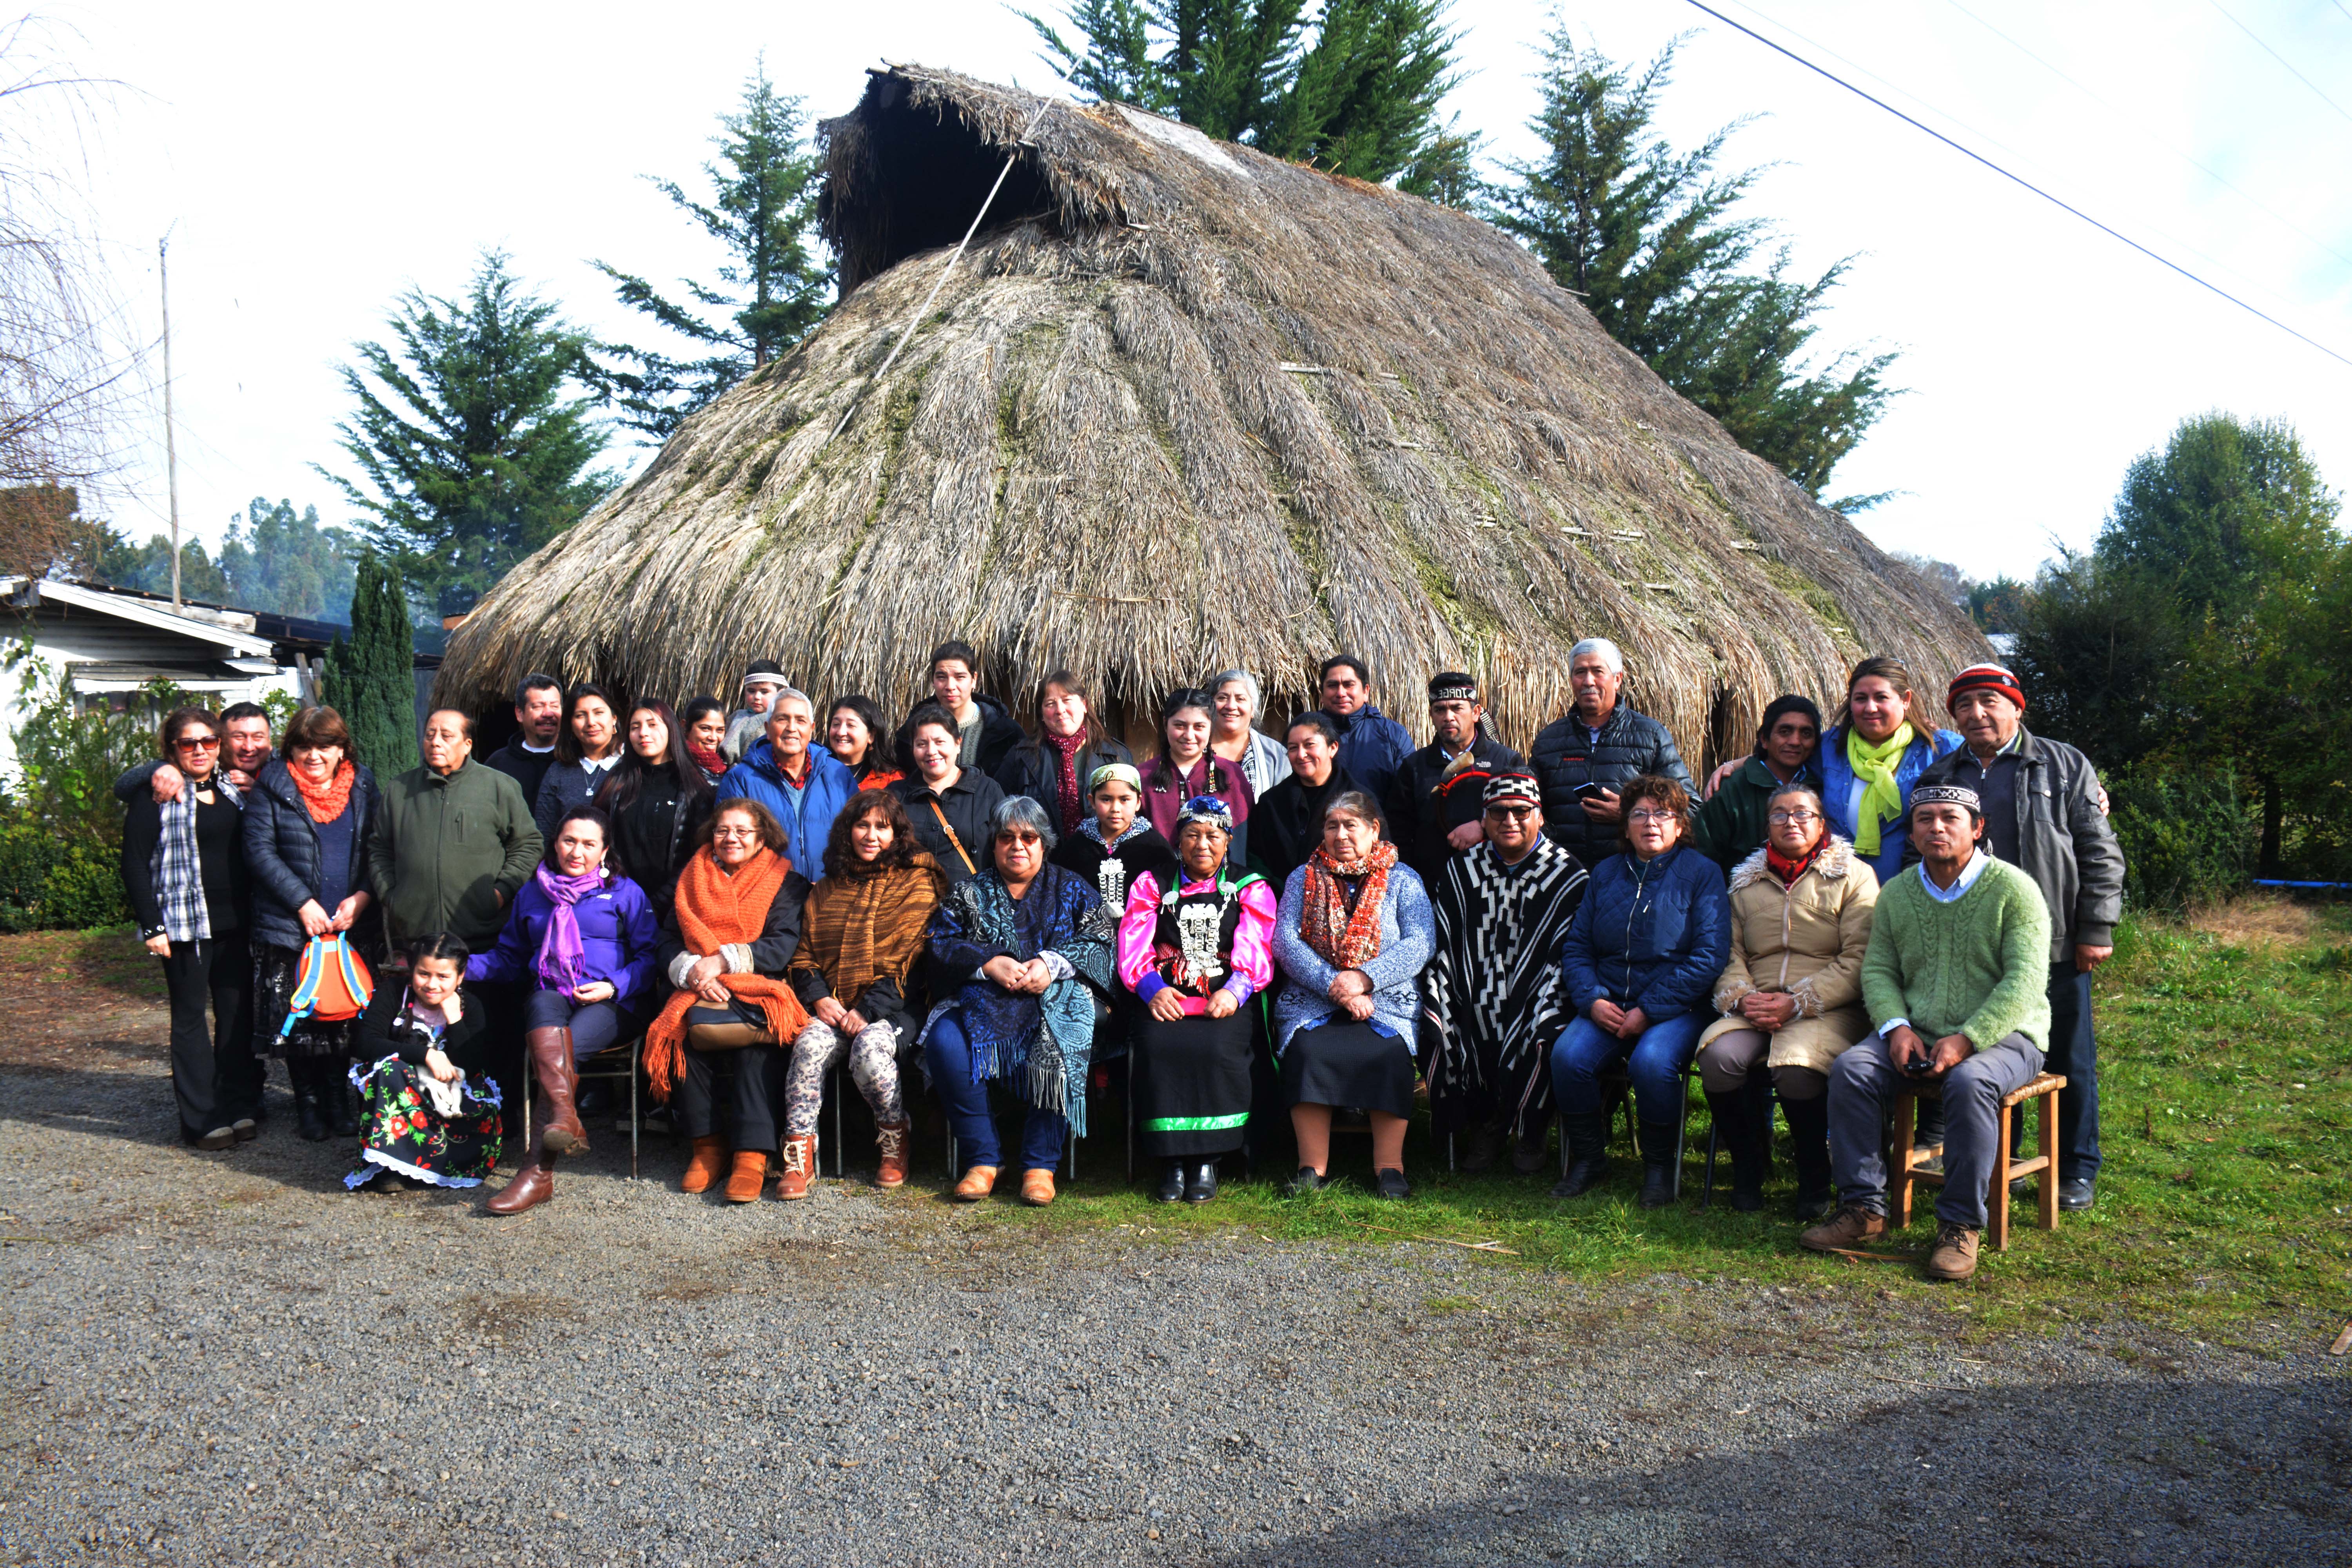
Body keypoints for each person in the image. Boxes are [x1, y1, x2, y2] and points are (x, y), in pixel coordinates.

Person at [1801, 784, 2053, 1282]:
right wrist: (1895, 1028)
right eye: (1925, 819)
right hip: (1917, 1029)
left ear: (1977, 828)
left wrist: (1969, 1038)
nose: (1936, 827)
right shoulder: (1897, 893)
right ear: (1912, 832)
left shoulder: (2014, 888)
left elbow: (2025, 981)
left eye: (1950, 818)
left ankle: (1959, 1224)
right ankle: (1864, 1209)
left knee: (1970, 1082)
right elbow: (1878, 971)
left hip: (2008, 1035)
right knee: (1852, 1068)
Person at [1911, 662, 2123, 1212]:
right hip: (1974, 947)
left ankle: (2077, 1168)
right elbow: (1924, 856)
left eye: (1989, 701)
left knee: (2069, 1057)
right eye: (1965, 705)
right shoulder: (1942, 772)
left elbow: (2098, 851)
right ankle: (2008, 1160)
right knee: (1997, 1049)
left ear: (2016, 707)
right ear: (1953, 714)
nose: (1977, 714)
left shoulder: (2061, 764)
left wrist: (2095, 928)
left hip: (2053, 940)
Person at [1693, 782, 1877, 1215]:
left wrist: (1799, 1001)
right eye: (1779, 814)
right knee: (1719, 1058)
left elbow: (1860, 956)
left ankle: (1814, 1174)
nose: (1790, 822)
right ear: (1767, 825)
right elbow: (1728, 951)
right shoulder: (1745, 880)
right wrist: (1742, 999)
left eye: (1801, 814)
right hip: (1755, 1003)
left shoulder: (1854, 875)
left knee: (1795, 1068)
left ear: (1821, 824)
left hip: (1827, 1006)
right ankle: (1749, 1165)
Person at [921, 795, 1114, 1207]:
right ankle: (984, 1159)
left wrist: (1052, 963)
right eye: (1007, 837)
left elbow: (1102, 941)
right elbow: (939, 943)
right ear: (994, 845)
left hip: (1053, 1001)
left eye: (1028, 837)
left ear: (1044, 843)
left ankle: (1040, 1165)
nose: (1017, 846)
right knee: (944, 1041)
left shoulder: (1072, 888)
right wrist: (988, 963)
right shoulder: (969, 893)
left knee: (1065, 1035)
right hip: (981, 1002)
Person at [468, 804, 661, 1215]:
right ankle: (563, 1121)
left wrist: (613, 985)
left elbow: (650, 958)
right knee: (541, 1006)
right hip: (553, 992)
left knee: (562, 1046)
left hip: (614, 1001)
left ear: (605, 850)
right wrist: (456, 969)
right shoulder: (533, 892)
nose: (578, 851)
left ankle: (537, 1171)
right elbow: (508, 956)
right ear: (555, 844)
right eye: (569, 840)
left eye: (589, 843)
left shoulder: (626, 892)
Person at [1551, 773, 1730, 1207]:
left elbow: (1709, 956)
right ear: (1625, 824)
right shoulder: (1606, 873)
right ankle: (1590, 1159)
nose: (1652, 823)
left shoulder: (1703, 874)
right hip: (1609, 1000)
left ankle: (1658, 1167)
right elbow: (1577, 947)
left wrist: (1649, 1010)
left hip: (1678, 1006)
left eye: (1663, 814)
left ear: (1680, 825)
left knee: (1653, 1062)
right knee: (1568, 1056)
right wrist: (1592, 999)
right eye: (1640, 814)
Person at [779, 790, 946, 1196]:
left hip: (896, 1007)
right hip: (835, 1003)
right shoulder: (827, 888)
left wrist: (870, 1009)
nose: (871, 835)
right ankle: (799, 1154)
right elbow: (803, 956)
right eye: (862, 825)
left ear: (897, 834)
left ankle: (895, 1137)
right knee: (808, 1045)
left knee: (869, 1049)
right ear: (847, 831)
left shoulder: (917, 882)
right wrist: (819, 997)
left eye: (882, 827)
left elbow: (912, 959)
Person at [644, 800, 812, 1204]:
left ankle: (751, 1155)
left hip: (759, 984)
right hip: (698, 985)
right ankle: (707, 1147)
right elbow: (666, 939)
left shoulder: (786, 881)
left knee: (755, 1045)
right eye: (723, 830)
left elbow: (782, 943)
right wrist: (692, 972)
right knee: (684, 1035)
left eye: (742, 831)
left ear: (762, 837)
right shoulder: (692, 876)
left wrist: (722, 962)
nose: (731, 838)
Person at [1421, 771, 1589, 1176]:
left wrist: (1527, 992)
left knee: (1544, 1024)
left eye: (1521, 811)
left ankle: (1532, 1129)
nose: (1509, 820)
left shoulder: (1566, 874)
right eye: (1498, 812)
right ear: (1485, 818)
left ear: (1540, 816)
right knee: (1449, 1011)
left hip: (1544, 985)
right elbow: (1446, 938)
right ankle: (1485, 1126)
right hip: (1472, 982)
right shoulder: (1462, 871)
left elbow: (1568, 950)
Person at [1271, 790, 1433, 1199]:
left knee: (1390, 1054)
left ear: (1374, 829)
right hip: (1315, 998)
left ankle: (1390, 1168)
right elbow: (1285, 942)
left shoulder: (1403, 878)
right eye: (1331, 825)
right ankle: (1312, 1167)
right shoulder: (1301, 878)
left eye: (1350, 825)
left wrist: (1365, 978)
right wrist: (1335, 986)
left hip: (1386, 1001)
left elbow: (1419, 942)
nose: (1340, 834)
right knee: (1307, 1051)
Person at [1117, 797, 1277, 1204]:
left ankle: (1208, 1159)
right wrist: (1151, 989)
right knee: (1158, 1047)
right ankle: (1172, 1161)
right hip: (1166, 995)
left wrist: (1236, 990)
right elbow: (1134, 943)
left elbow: (1258, 945)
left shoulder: (1249, 886)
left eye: (1212, 835)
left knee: (1217, 1048)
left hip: (1223, 997)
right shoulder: (1152, 883)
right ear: (1178, 839)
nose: (1202, 844)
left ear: (1227, 841)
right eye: (1192, 834)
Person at [243, 704, 383, 1143]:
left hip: (348, 927)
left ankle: (338, 1102)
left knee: (341, 1018)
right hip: (291, 927)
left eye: (325, 745)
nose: (314, 755)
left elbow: (378, 848)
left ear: (342, 749)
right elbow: (259, 851)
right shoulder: (273, 785)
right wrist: (302, 903)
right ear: (291, 750)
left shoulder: (363, 785)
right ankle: (308, 1105)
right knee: (300, 1022)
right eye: (304, 746)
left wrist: (363, 897)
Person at [121, 706, 257, 1150]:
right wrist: (151, 925)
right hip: (183, 926)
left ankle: (239, 1105)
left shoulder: (231, 788)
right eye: (188, 743)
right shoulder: (156, 793)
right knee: (191, 1020)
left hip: (235, 924)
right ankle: (201, 1118)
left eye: (209, 741)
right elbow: (134, 865)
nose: (200, 750)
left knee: (237, 1018)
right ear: (172, 748)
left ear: (220, 745)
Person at [369, 710, 542, 955]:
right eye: (430, 735)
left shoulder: (499, 787)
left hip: (483, 941)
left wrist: (500, 893)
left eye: (446, 736)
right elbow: (380, 848)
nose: (435, 742)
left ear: (467, 745)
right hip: (417, 941)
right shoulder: (399, 789)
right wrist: (393, 897)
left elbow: (528, 844)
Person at [345, 934, 503, 1191]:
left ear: (460, 977)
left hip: (451, 1092)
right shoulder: (393, 993)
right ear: (412, 970)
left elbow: (473, 1065)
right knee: (389, 1069)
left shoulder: (470, 1006)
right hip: (403, 1089)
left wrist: (455, 1020)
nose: (432, 985)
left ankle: (439, 1166)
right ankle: (391, 1166)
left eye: (443, 977)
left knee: (477, 1107)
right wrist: (426, 1055)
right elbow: (366, 1044)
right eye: (423, 974)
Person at [1050, 762, 1178, 1072]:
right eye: (1106, 799)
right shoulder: (1077, 847)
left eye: (1124, 799)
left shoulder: (1154, 848)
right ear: (1091, 801)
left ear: (1138, 801)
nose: (1115, 808)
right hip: (1085, 948)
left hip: (1141, 950)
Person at [1529, 638, 1697, 869]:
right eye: (1580, 673)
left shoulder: (1650, 735)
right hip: (1563, 875)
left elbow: (1691, 808)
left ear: (1617, 679)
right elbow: (1530, 808)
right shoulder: (1549, 740)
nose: (1588, 681)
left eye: (1598, 671)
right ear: (1571, 681)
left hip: (1631, 875)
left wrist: (1630, 814)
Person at [1815, 655, 1964, 885]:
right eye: (1861, 699)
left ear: (1905, 700)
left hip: (1912, 889)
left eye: (1881, 698)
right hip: (1838, 889)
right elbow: (1779, 755)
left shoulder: (1941, 749)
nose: (1870, 708)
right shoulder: (1828, 747)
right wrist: (1738, 764)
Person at [1385, 671, 1524, 887]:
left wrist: (1484, 825)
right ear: (1431, 715)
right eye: (1440, 710)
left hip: (1496, 884)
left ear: (1476, 712)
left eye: (1457, 708)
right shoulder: (1414, 767)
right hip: (1433, 886)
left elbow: (1527, 818)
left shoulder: (1507, 761)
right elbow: (1399, 831)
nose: (1448, 717)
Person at [715, 688, 857, 881]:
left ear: (812, 728)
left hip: (831, 894)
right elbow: (729, 847)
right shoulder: (740, 780)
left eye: (800, 720)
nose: (792, 728)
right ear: (767, 728)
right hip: (768, 898)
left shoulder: (839, 775)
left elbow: (857, 835)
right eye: (782, 719)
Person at [593, 699, 714, 922]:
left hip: (672, 910)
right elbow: (597, 838)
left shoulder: (696, 787)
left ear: (671, 728)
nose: (643, 733)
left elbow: (700, 855)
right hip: (615, 905)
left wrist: (656, 905)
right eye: (635, 727)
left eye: (652, 724)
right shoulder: (616, 780)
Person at [993, 669, 1134, 838]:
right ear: (1042, 714)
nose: (1060, 710)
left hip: (1102, 859)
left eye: (1067, 700)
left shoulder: (1115, 755)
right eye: (1050, 704)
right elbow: (999, 813)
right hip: (1041, 860)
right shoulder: (1021, 757)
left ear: (1084, 706)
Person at [1252, 710, 1380, 893]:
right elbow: (1256, 857)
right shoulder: (1271, 803)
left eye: (1309, 745)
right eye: (1293, 748)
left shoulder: (1360, 799)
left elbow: (1378, 854)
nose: (1301, 755)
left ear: (1333, 748)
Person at [1691, 695, 1823, 871]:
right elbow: (1703, 858)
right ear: (1764, 740)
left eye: (1806, 734)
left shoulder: (1823, 786)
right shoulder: (1732, 790)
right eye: (1785, 732)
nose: (1795, 741)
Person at [889, 704, 1005, 887]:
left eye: (940, 742)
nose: (931, 751)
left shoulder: (987, 791)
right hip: (911, 909)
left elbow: (1006, 850)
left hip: (970, 909)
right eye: (922, 744)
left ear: (958, 744)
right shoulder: (896, 795)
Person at [1141, 689, 1254, 863]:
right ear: (1165, 725)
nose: (1189, 735)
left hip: (1222, 884)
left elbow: (1245, 841)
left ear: (1211, 727)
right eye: (1180, 726)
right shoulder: (1143, 776)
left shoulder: (1232, 774)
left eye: (1199, 727)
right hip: (1158, 883)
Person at [115, 699, 274, 805]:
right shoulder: (200, 770)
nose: (249, 747)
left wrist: (261, 794)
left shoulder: (283, 772)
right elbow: (122, 788)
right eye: (238, 737)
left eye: (258, 737)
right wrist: (160, 768)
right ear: (221, 741)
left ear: (270, 742)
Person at [906, 639, 1024, 776]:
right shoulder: (911, 730)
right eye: (942, 677)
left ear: (974, 679)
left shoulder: (1006, 732)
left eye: (960, 677)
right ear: (933, 681)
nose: (950, 686)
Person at [1316, 655, 1414, 804]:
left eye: (1349, 685)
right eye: (1333, 685)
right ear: (1322, 693)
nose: (1341, 693)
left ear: (1366, 691)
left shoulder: (1393, 735)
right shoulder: (1305, 733)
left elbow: (1407, 796)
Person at [533, 682, 625, 841]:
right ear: (571, 725)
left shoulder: (633, 766)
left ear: (614, 719)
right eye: (580, 715)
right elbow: (545, 834)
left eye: (599, 713)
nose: (591, 722)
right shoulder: (558, 772)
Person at [1208, 670, 1292, 798]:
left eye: (1240, 699)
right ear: (1210, 706)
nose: (1231, 706)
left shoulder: (1276, 755)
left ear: (1253, 709)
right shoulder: (1193, 748)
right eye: (1222, 698)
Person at [485, 674, 564, 804]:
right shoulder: (499, 764)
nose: (548, 714)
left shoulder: (575, 758)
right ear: (520, 714)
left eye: (555, 706)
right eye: (538, 707)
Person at [825, 695, 902, 790]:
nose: (841, 732)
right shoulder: (816, 771)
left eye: (851, 725)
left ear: (871, 735)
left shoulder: (892, 782)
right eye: (836, 724)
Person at [722, 659, 788, 763]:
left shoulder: (781, 722)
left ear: (780, 694)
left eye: (764, 692)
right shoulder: (737, 716)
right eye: (751, 691)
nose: (757, 697)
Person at [679, 696, 733, 786]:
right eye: (706, 729)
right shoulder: (676, 766)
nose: (714, 738)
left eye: (720, 730)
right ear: (685, 726)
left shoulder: (728, 767)